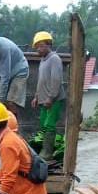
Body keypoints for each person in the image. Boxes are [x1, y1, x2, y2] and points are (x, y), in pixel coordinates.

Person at [30, 31, 65, 160]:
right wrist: (36, 96)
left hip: (53, 99)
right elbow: (41, 80)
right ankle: (44, 149)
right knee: (43, 124)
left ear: (49, 44)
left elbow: (56, 80)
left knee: (50, 124)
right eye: (37, 46)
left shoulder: (54, 59)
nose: (39, 49)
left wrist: (51, 97)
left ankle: (47, 153)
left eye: (42, 46)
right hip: (44, 99)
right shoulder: (43, 61)